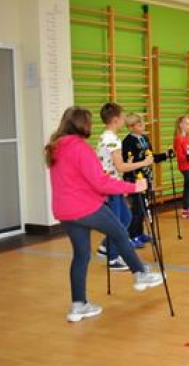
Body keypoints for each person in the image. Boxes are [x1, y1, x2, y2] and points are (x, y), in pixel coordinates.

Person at [45, 107, 164, 322]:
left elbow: (79, 179)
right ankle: (140, 273)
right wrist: (134, 187)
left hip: (64, 210)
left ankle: (78, 306)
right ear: (83, 125)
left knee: (81, 255)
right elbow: (100, 182)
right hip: (85, 207)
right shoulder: (80, 148)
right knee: (120, 232)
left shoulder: (56, 146)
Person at [94, 103, 154, 271]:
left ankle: (106, 246)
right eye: (122, 117)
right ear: (115, 120)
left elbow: (114, 165)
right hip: (110, 186)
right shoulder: (112, 140)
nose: (124, 120)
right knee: (118, 223)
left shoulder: (107, 136)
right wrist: (143, 162)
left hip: (114, 184)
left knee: (126, 218)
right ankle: (113, 258)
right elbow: (120, 167)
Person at [122, 113, 167, 243]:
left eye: (143, 123)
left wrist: (164, 156)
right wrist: (138, 165)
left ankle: (139, 233)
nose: (142, 126)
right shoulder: (128, 141)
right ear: (131, 127)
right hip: (134, 178)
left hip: (146, 177)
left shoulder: (145, 138)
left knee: (144, 207)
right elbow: (126, 162)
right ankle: (131, 236)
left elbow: (150, 157)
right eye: (139, 124)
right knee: (137, 208)